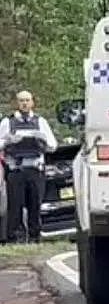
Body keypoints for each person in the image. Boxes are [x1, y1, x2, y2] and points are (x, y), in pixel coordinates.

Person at [0, 91, 58, 243]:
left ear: (33, 102)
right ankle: (14, 239)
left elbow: (53, 146)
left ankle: (35, 238)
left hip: (35, 170)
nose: (24, 103)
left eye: (27, 100)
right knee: (15, 207)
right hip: (16, 170)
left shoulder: (41, 122)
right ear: (16, 103)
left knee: (35, 206)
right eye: (21, 101)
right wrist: (8, 141)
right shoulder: (7, 122)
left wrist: (42, 139)